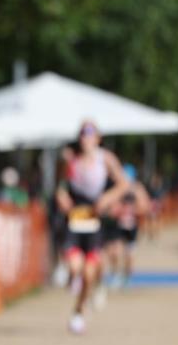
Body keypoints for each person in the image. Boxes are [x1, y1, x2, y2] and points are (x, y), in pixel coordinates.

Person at [54, 121, 130, 334]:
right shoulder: (71, 159)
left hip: (94, 221)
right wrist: (62, 197)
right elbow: (60, 185)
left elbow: (124, 184)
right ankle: (72, 279)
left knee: (89, 274)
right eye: (82, 134)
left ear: (98, 138)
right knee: (75, 267)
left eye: (89, 134)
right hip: (75, 218)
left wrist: (107, 198)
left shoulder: (106, 158)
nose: (85, 138)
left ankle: (78, 312)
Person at [104, 164, 151, 289]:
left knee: (129, 254)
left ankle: (127, 277)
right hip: (118, 226)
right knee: (115, 251)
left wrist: (132, 211)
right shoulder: (116, 188)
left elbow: (145, 207)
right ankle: (115, 274)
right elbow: (110, 206)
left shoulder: (137, 189)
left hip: (132, 226)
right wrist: (116, 211)